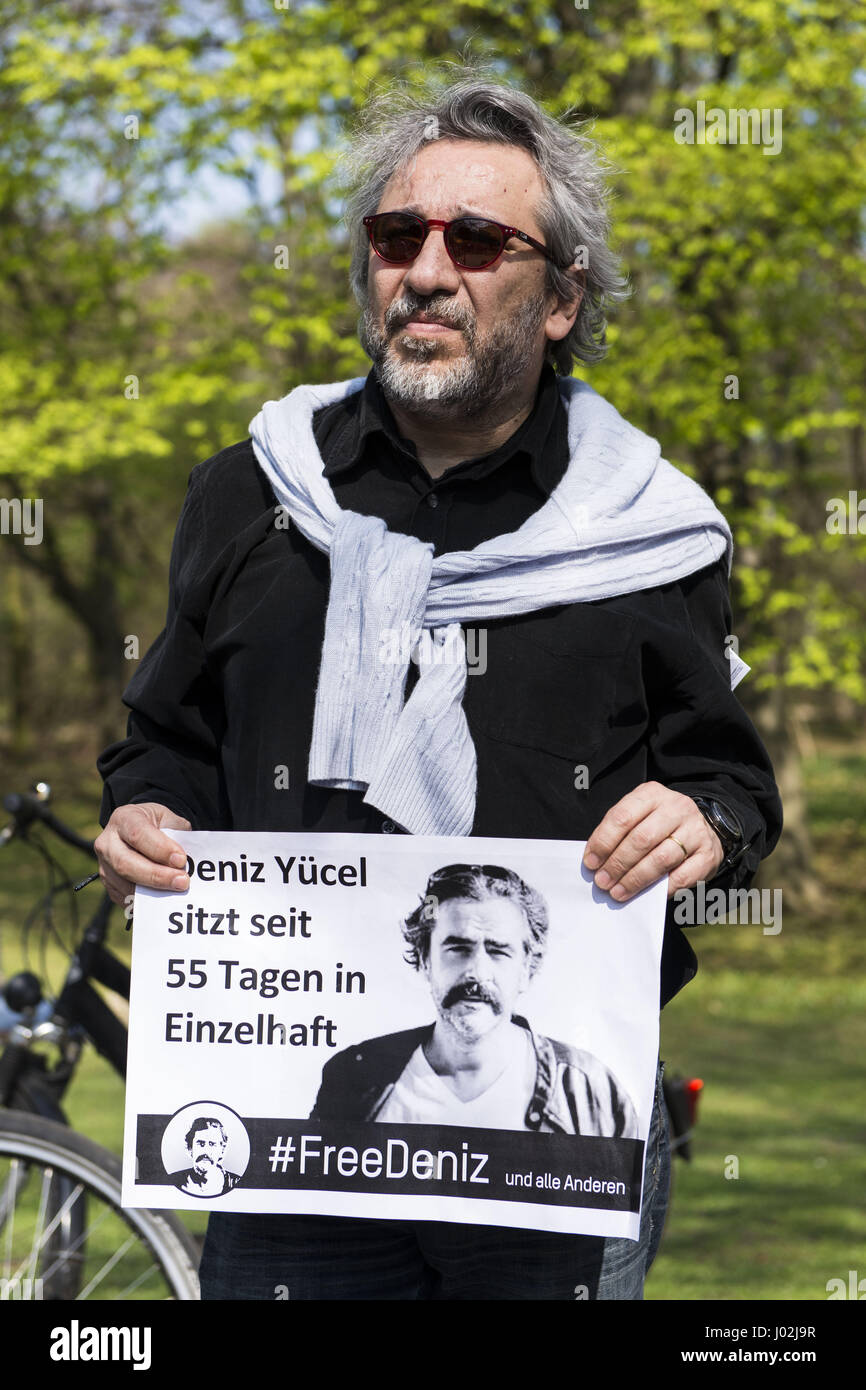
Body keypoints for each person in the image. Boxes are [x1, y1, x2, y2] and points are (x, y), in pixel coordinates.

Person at [95, 68, 782, 1299]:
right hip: (291, 1145)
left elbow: (727, 778)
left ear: (560, 296)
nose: (424, 269)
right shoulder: (250, 495)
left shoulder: (648, 529)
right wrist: (143, 815)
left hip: (549, 1172)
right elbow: (162, 740)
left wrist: (703, 822)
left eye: (475, 241)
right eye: (394, 235)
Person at [311, 862, 639, 1136]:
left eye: (498, 951)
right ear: (425, 959)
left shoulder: (590, 1091)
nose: (477, 972)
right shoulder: (354, 1077)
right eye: (458, 948)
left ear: (527, 969)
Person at [168, 1117, 241, 1198]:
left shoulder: (237, 1183)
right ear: (190, 1149)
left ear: (222, 1151)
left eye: (212, 1144)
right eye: (200, 1144)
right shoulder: (173, 1181)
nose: (206, 1151)